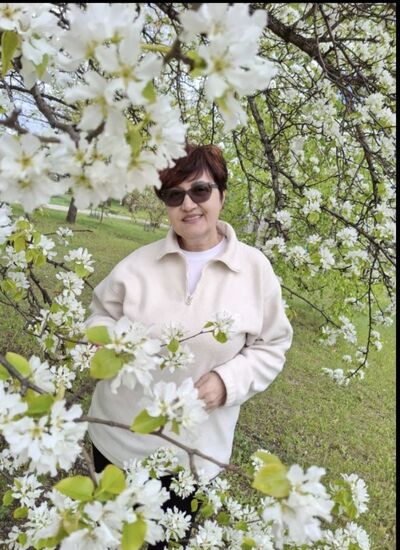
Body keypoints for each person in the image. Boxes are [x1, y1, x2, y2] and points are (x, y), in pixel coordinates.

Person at [85, 143, 293, 547]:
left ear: (221, 195)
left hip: (190, 458)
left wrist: (227, 382)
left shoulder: (255, 271)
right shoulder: (136, 265)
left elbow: (272, 345)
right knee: (107, 535)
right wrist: (106, 341)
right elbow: (99, 315)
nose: (188, 204)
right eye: (174, 195)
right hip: (117, 443)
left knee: (163, 542)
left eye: (200, 190)